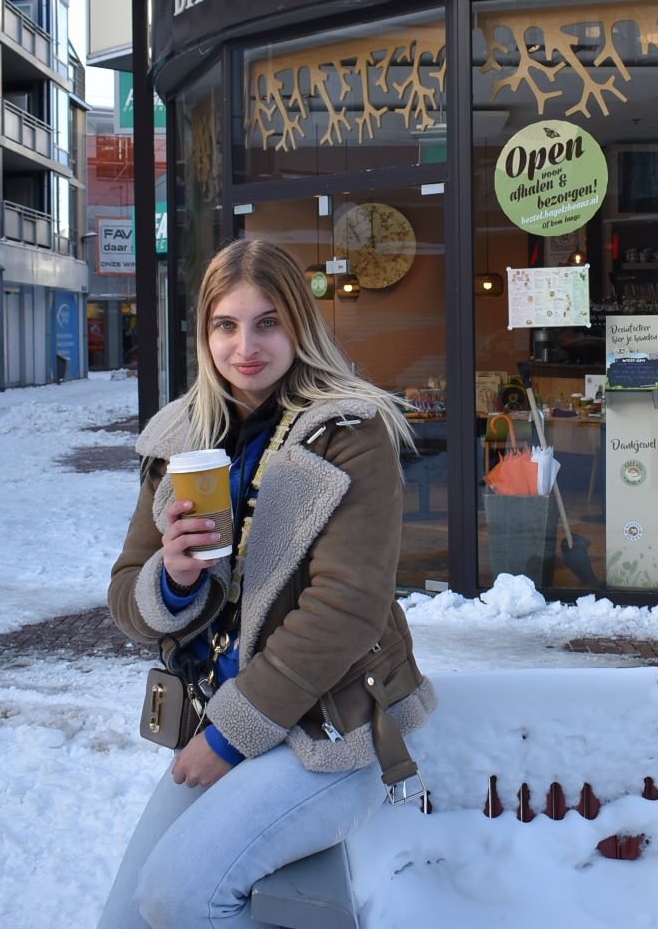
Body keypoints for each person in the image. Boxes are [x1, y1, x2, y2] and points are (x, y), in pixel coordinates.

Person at [99, 238, 437, 928]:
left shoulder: (349, 431)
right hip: (216, 713)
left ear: (299, 327)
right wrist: (173, 578)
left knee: (178, 896)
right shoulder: (183, 437)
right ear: (205, 333)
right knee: (125, 919)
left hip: (330, 729)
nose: (244, 345)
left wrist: (226, 740)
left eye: (267, 322)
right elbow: (125, 592)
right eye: (225, 324)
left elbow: (345, 610)